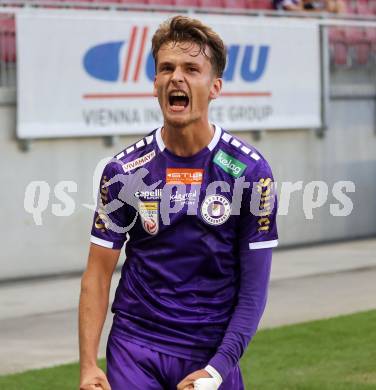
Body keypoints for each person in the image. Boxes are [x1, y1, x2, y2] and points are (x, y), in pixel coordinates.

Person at [79, 15, 278, 390]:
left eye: (191, 68)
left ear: (215, 86)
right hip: (135, 346)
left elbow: (254, 291)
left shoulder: (250, 173)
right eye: (166, 68)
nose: (176, 77)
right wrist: (89, 364)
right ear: (155, 84)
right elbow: (97, 273)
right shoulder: (123, 171)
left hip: (210, 352)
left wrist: (217, 369)